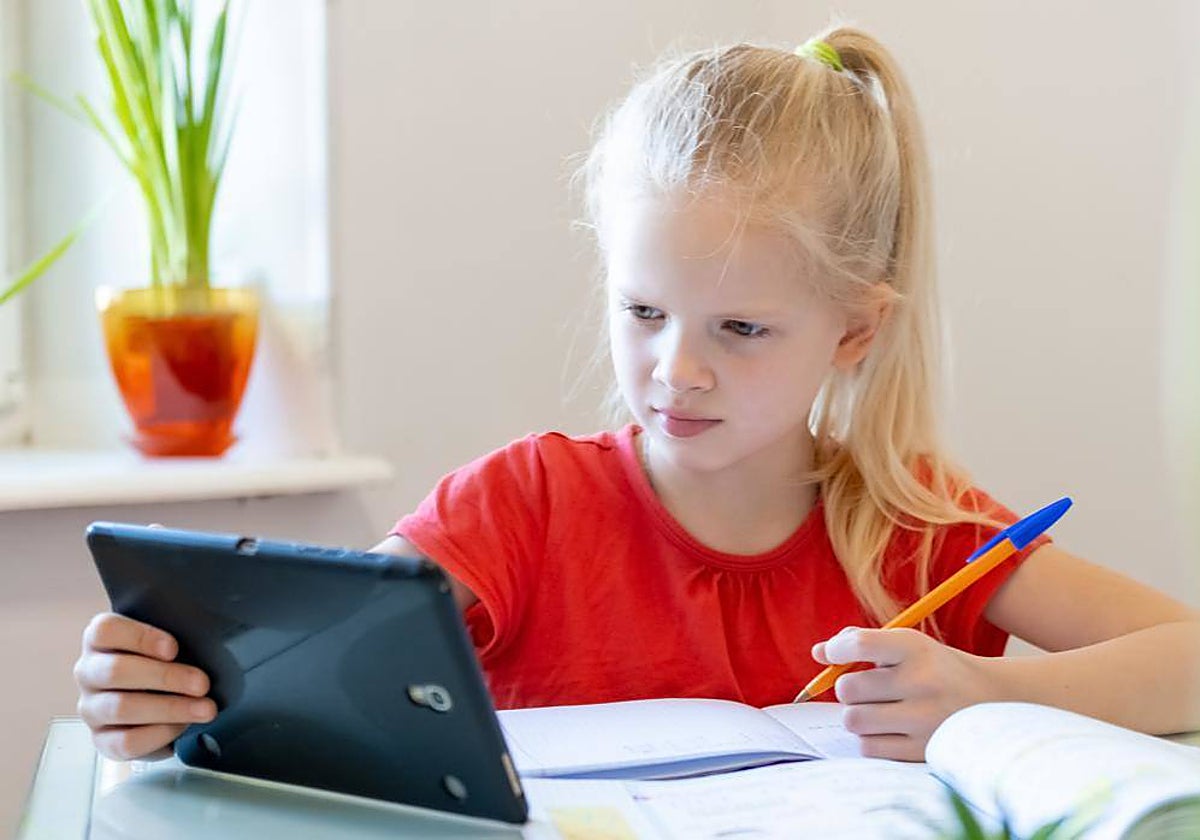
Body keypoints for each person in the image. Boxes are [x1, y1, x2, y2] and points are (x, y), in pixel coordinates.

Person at [73, 25, 1200, 765]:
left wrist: (980, 696)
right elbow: (305, 671)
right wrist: (165, 699)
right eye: (643, 313)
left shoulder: (916, 530)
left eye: (742, 330)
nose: (677, 369)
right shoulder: (521, 506)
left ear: (855, 329)